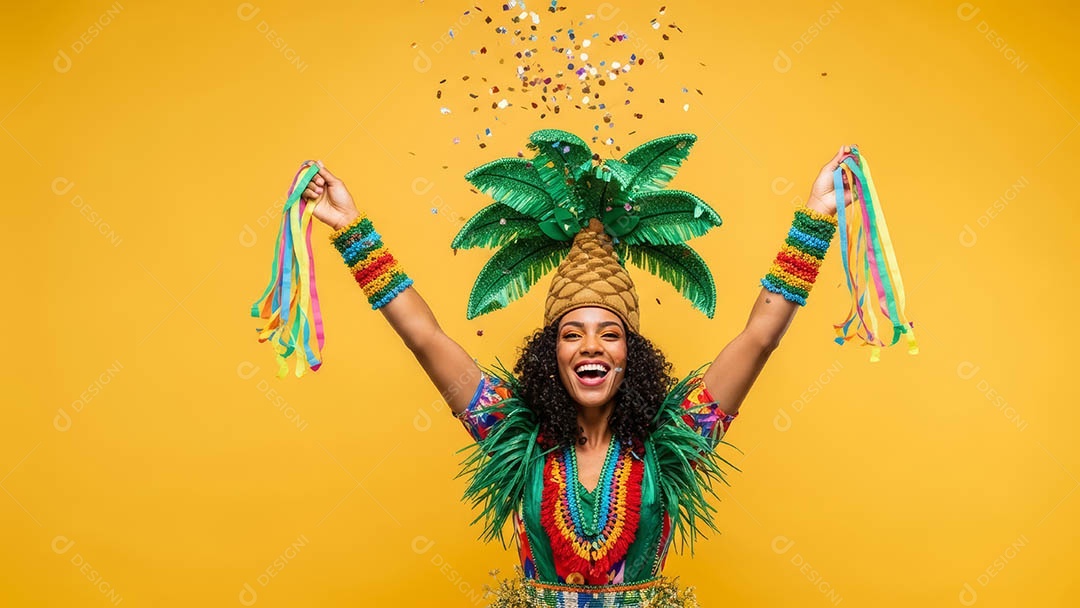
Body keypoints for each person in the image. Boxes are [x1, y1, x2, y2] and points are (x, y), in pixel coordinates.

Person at [299, 138, 855, 607]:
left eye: (609, 333)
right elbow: (425, 338)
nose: (591, 346)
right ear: (551, 355)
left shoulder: (671, 441)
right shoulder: (513, 435)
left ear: (630, 356)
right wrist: (351, 229)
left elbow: (758, 340)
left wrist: (816, 217)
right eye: (573, 333)